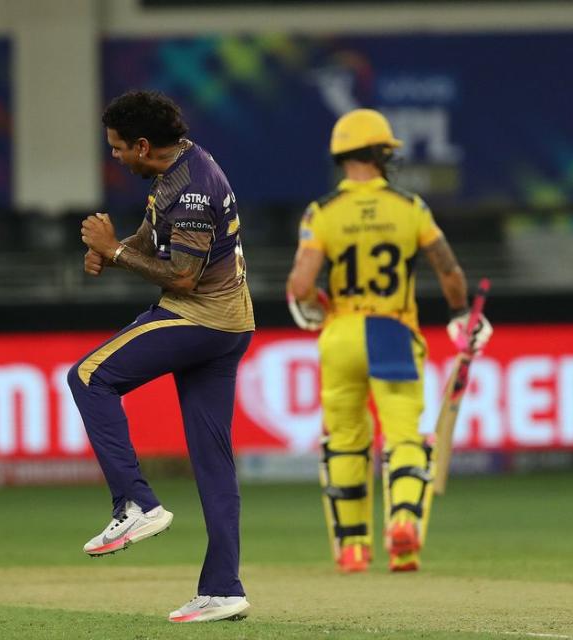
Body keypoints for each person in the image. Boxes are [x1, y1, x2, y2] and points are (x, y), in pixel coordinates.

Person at [67, 90, 254, 623]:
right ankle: (223, 588)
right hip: (228, 322)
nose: (116, 157)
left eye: (118, 148)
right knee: (213, 461)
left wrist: (116, 252)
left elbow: (184, 277)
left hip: (201, 317)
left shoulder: (193, 189)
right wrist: (119, 247)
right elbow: (154, 237)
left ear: (144, 145)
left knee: (87, 377)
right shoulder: (178, 167)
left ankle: (136, 504)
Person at [286, 109, 492, 574]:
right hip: (392, 332)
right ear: (380, 153)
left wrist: (313, 305)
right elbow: (449, 271)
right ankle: (403, 528)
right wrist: (461, 315)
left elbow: (300, 286)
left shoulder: (323, 212)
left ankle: (353, 547)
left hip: (339, 335)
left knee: (344, 441)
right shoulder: (410, 207)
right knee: (401, 437)